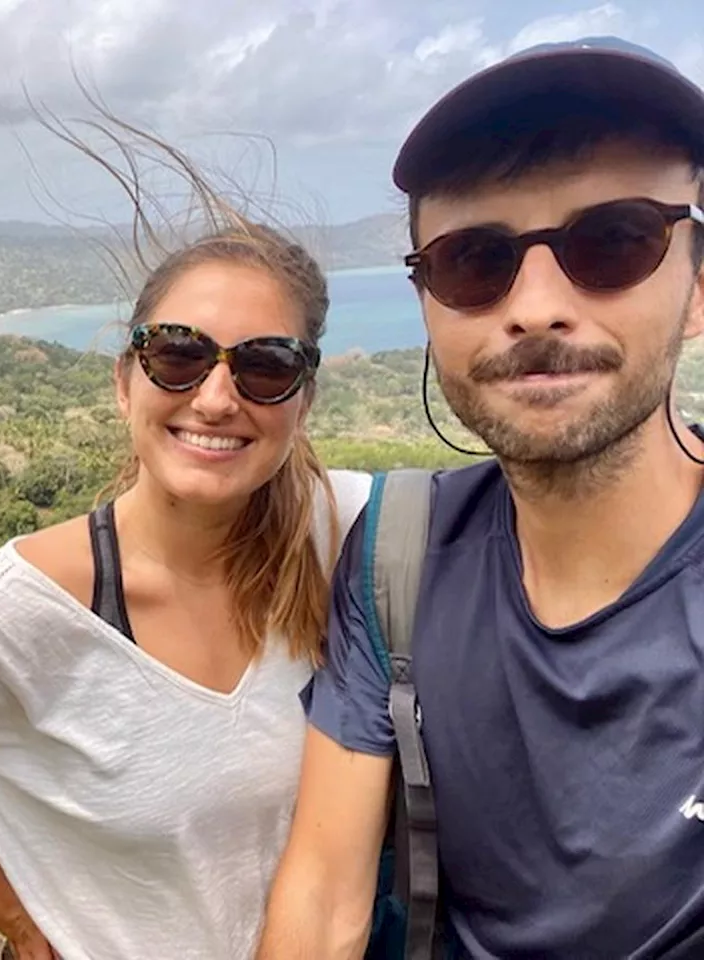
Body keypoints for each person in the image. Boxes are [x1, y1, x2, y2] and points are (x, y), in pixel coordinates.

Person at [0, 117, 372, 960]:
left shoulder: (347, 532)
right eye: (178, 355)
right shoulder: (28, 603)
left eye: (264, 365)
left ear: (304, 401)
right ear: (126, 383)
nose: (218, 397)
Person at [259, 36, 704, 960]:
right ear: (427, 303)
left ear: (696, 286)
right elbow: (322, 898)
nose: (535, 304)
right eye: (473, 261)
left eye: (615, 241)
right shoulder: (399, 556)